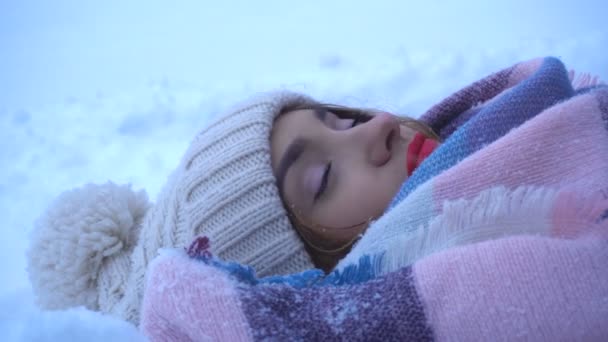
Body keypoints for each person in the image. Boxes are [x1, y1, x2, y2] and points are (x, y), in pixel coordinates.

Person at [27, 56, 608, 331]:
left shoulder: (528, 108)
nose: (380, 124)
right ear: (312, 289)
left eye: (340, 119)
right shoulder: (492, 292)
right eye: (321, 180)